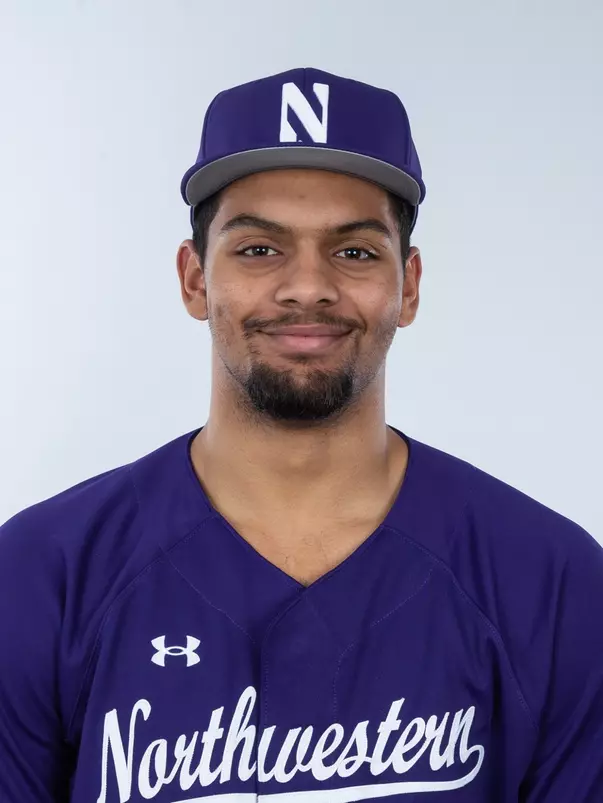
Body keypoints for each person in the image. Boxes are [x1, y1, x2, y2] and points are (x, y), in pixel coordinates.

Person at [0, 67, 601, 803]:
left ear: (408, 286)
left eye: (353, 252)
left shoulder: (552, 581)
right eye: (258, 249)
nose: (306, 285)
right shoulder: (40, 574)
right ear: (194, 279)